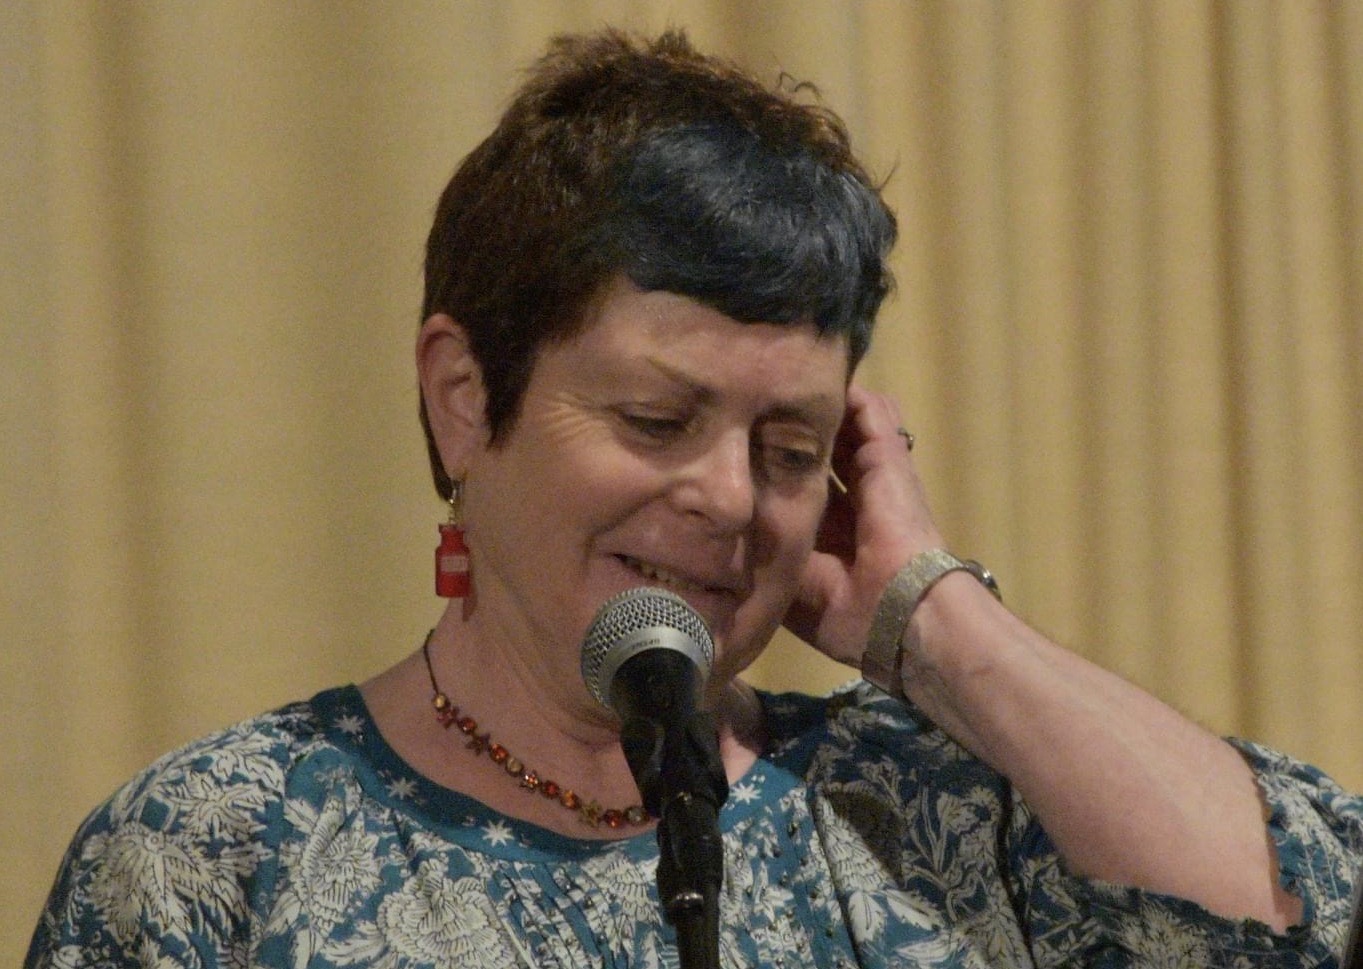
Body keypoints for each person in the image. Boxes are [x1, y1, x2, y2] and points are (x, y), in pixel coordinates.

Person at [27, 28, 1363, 969]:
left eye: (788, 446)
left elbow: (1311, 920)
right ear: (464, 396)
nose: (729, 497)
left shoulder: (931, 815)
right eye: (657, 419)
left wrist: (934, 622)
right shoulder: (216, 854)